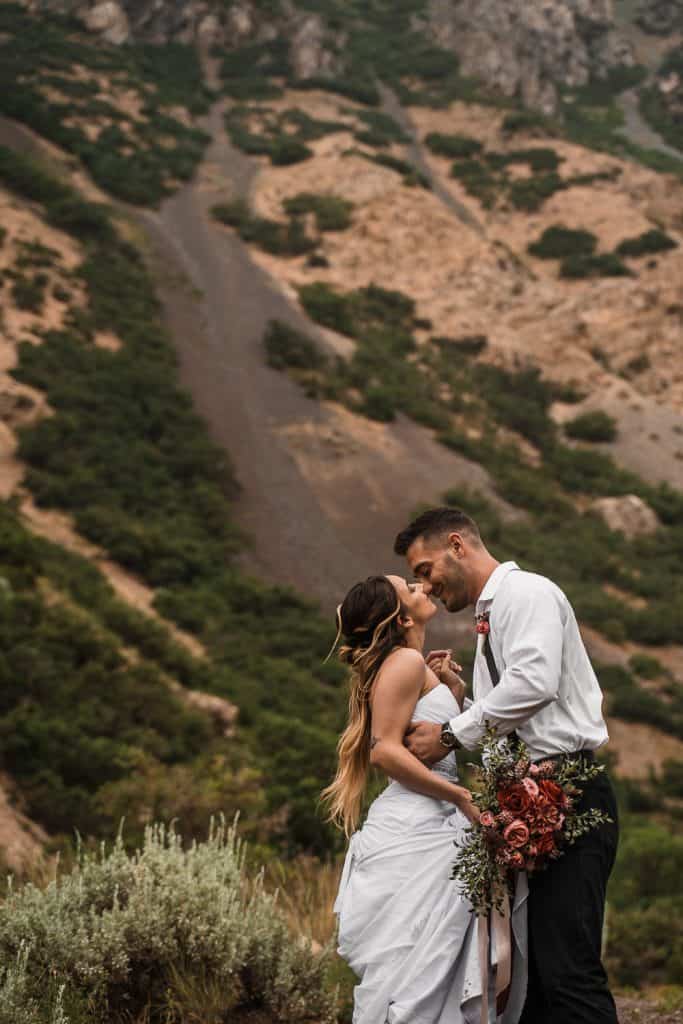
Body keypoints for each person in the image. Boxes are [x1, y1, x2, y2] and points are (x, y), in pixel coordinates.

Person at [394, 506, 619, 1024]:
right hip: (532, 802)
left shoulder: (527, 594)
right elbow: (510, 724)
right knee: (534, 975)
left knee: (569, 970)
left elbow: (535, 683)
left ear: (457, 545)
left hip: (571, 791)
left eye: (425, 570)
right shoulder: (488, 620)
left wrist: (451, 733)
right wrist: (460, 697)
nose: (424, 587)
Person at [323, 573, 527, 1024]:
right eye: (410, 589)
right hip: (421, 826)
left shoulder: (412, 664)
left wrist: (450, 693)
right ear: (401, 614)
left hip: (429, 823)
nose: (424, 589)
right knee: (418, 970)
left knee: (429, 966)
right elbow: (385, 750)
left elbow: (424, 737)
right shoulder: (404, 664)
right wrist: (459, 796)